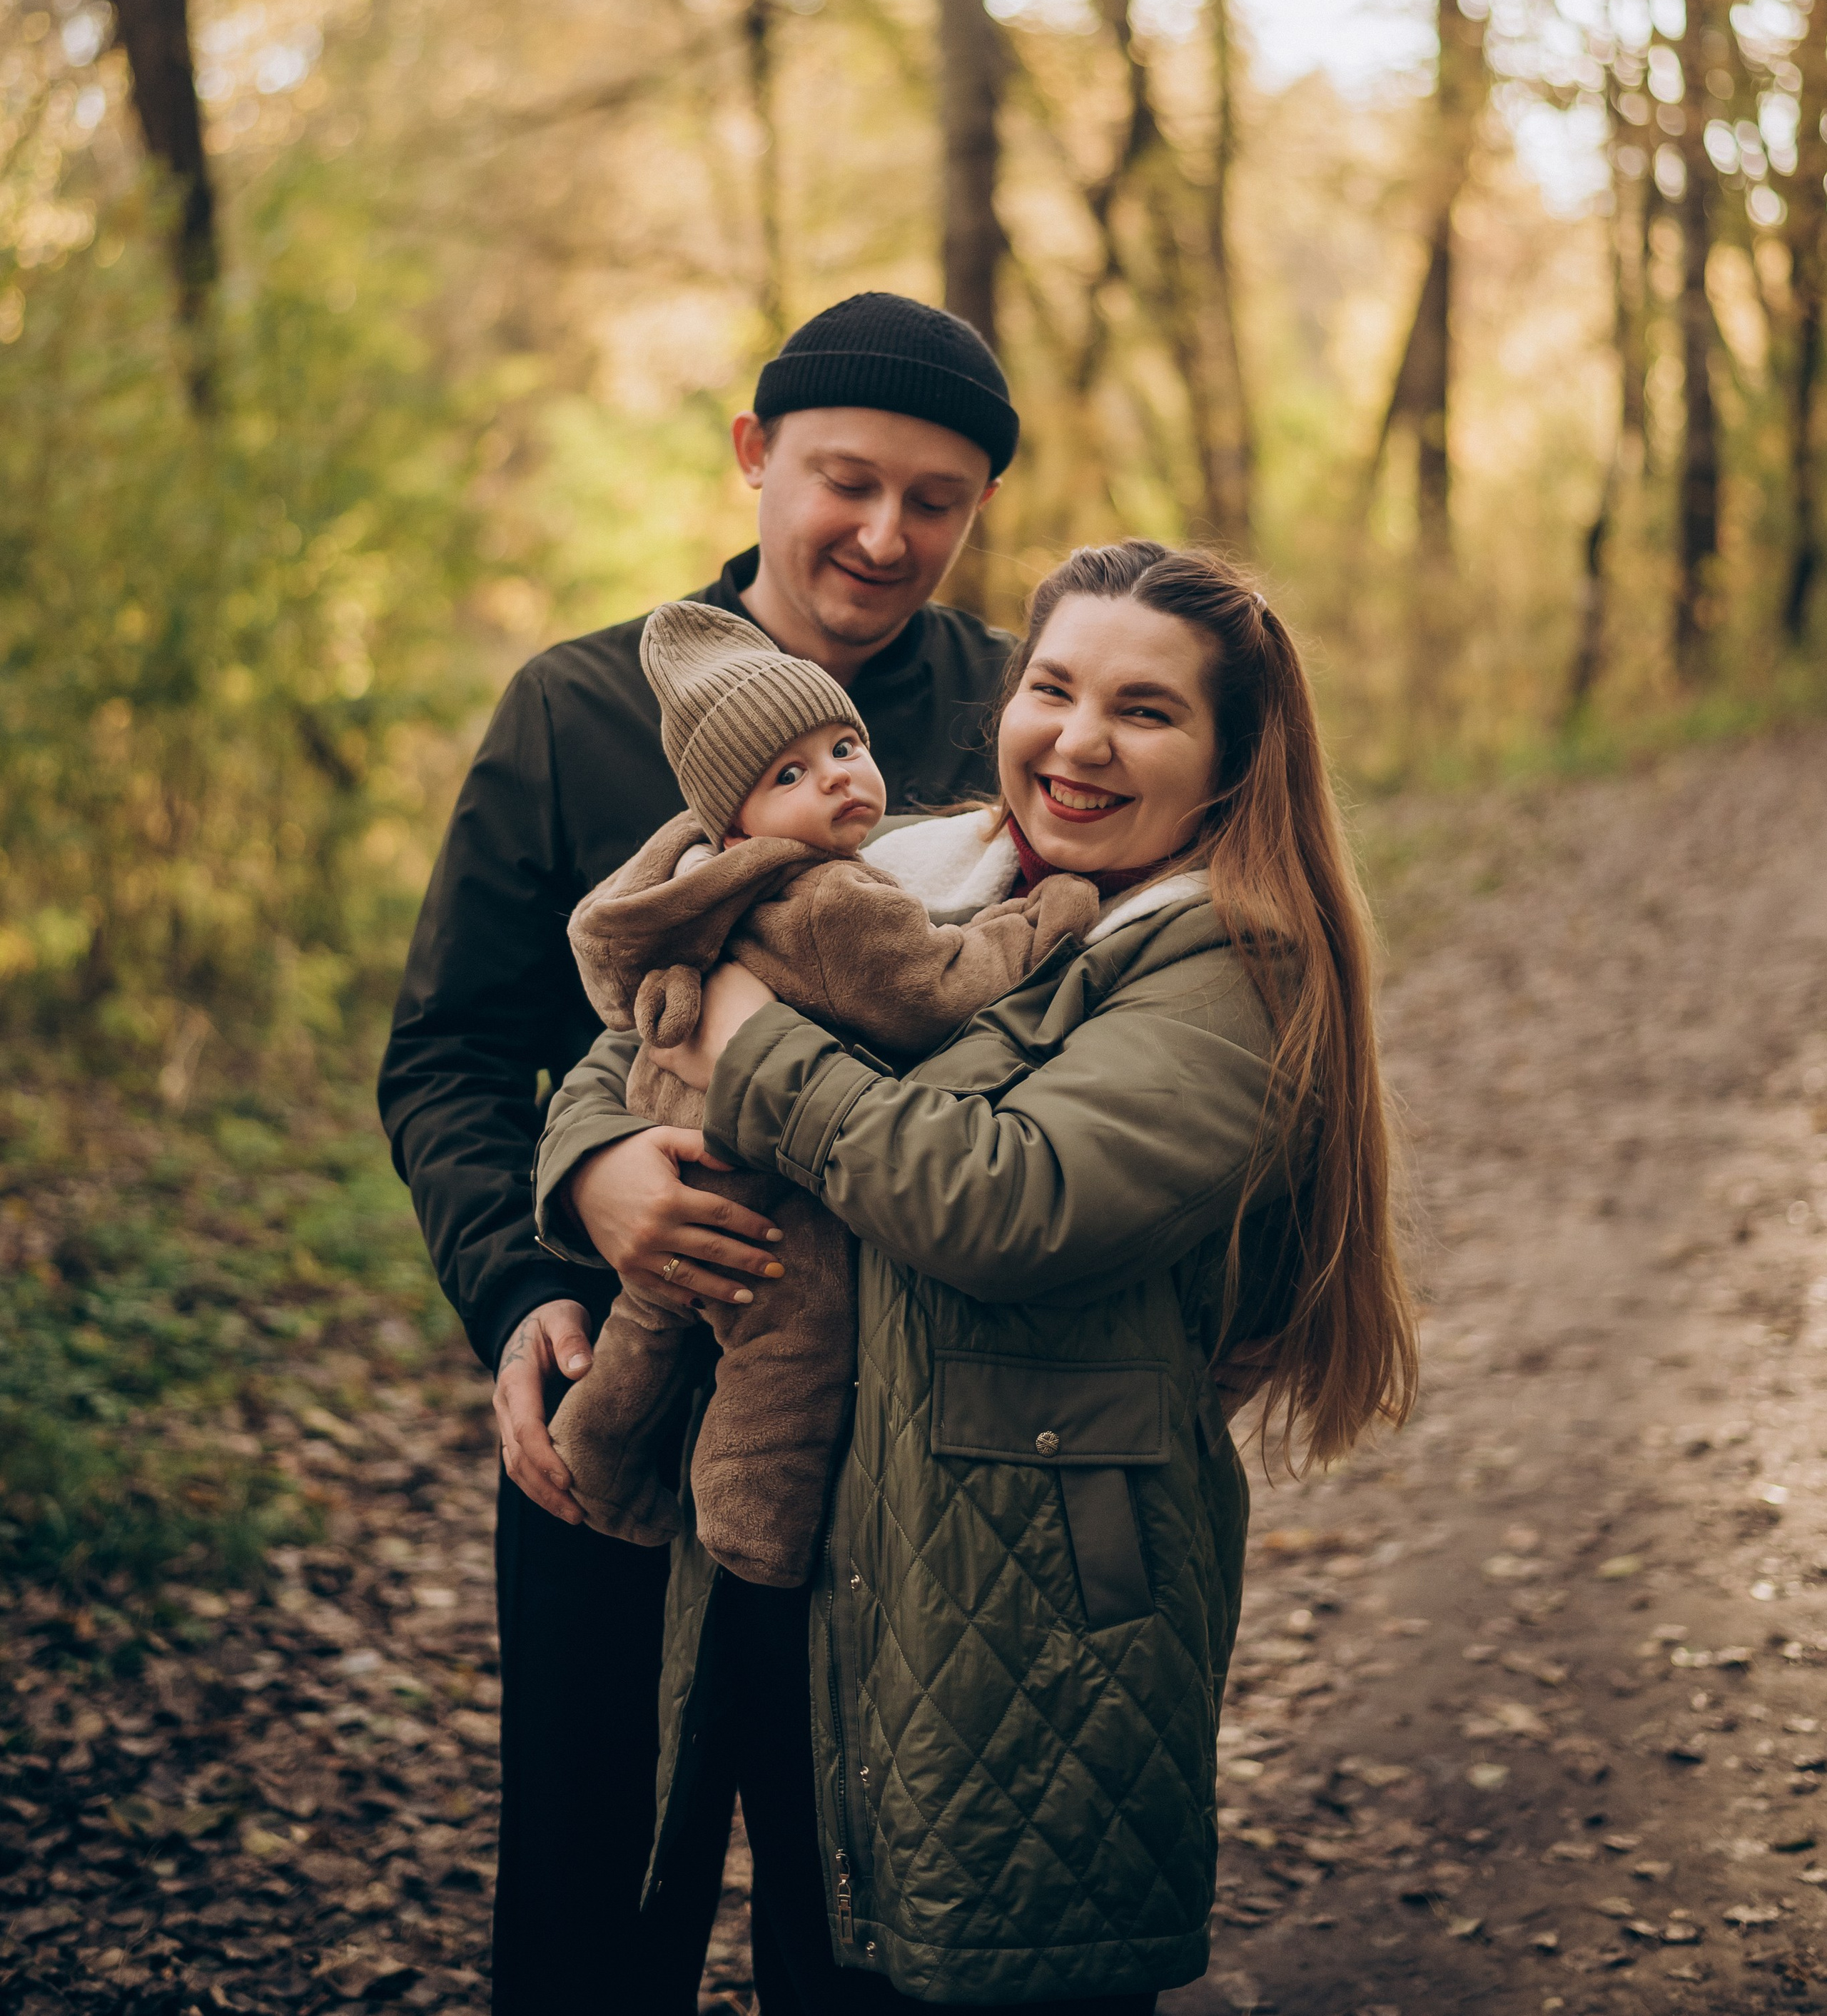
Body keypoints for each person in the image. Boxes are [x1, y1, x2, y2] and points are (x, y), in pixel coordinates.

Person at [537, 538, 1419, 2012]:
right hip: (803, 1551)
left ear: (1228, 760)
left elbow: (1002, 1200)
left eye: (1143, 711)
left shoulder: (1226, 962)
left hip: (1027, 1606)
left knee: (982, 1969)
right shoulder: (900, 865)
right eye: (1052, 688)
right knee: (818, 1968)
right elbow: (628, 1030)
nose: (1076, 742)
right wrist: (598, 1165)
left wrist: (750, 1049)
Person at [376, 293, 1023, 2015]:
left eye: (936, 500)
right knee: (595, 1915)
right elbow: (446, 1051)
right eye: (844, 480)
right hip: (625, 1408)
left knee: (873, 1930)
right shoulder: (576, 708)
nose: (884, 536)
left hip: (914, 1435)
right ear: (753, 457)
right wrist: (540, 1257)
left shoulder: (1020, 718)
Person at [550, 598, 1093, 1581]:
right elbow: (938, 991)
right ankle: (755, 1526)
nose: (837, 775)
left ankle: (592, 1451)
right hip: (765, 1180)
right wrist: (1042, 916)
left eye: (845, 745)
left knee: (646, 1320)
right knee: (788, 1344)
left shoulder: (708, 887)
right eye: (790, 774)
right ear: (740, 815)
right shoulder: (836, 898)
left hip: (667, 1144)